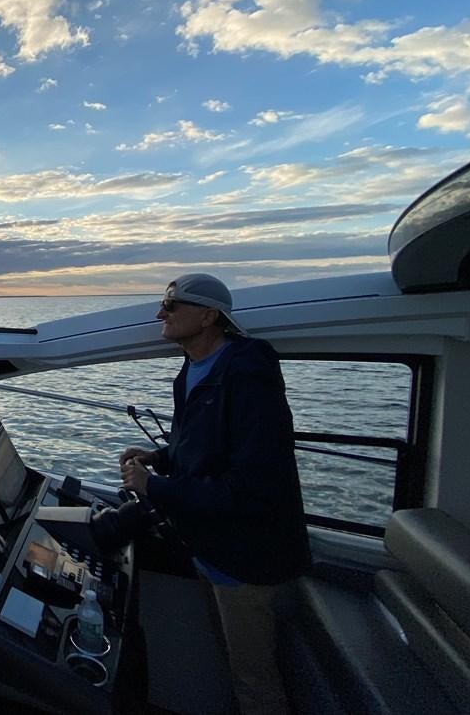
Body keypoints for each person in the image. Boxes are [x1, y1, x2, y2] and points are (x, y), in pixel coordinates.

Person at [117, 273, 310, 715]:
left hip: (245, 558)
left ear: (209, 317)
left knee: (254, 678)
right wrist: (159, 457)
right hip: (208, 546)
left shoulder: (246, 373)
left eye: (172, 305)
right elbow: (207, 450)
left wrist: (156, 487)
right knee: (228, 662)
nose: (160, 313)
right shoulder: (193, 371)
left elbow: (252, 486)